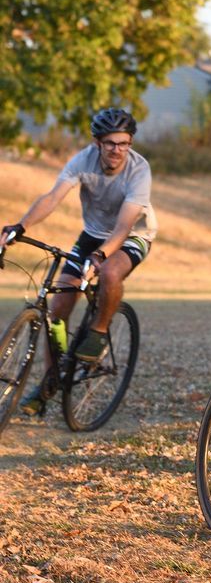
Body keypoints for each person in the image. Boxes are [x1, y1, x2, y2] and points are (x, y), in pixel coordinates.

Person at [0, 107, 157, 415]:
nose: (117, 150)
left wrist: (101, 254)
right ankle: (51, 379)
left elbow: (125, 225)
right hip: (92, 234)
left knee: (110, 273)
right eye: (110, 143)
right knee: (57, 306)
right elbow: (52, 197)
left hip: (132, 235)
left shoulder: (139, 170)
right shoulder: (83, 160)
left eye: (124, 143)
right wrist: (21, 226)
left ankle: (98, 332)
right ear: (98, 142)